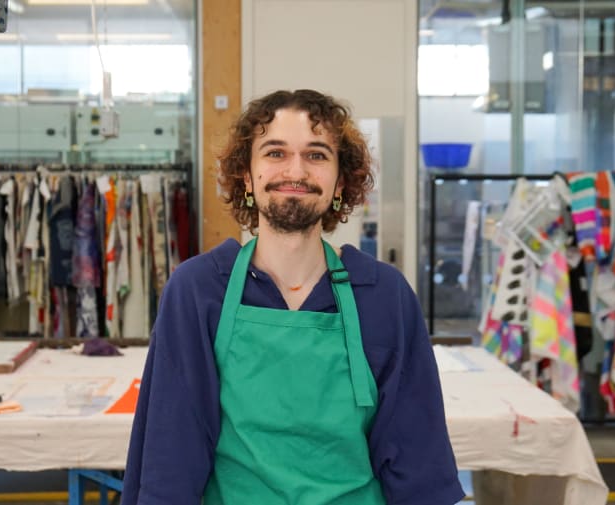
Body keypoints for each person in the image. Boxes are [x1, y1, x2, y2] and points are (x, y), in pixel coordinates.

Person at [121, 89, 464, 505]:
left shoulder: (384, 296)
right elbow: (170, 460)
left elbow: (420, 469)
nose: (296, 171)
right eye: (275, 153)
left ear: (340, 181)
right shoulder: (197, 291)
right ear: (247, 177)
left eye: (316, 155)